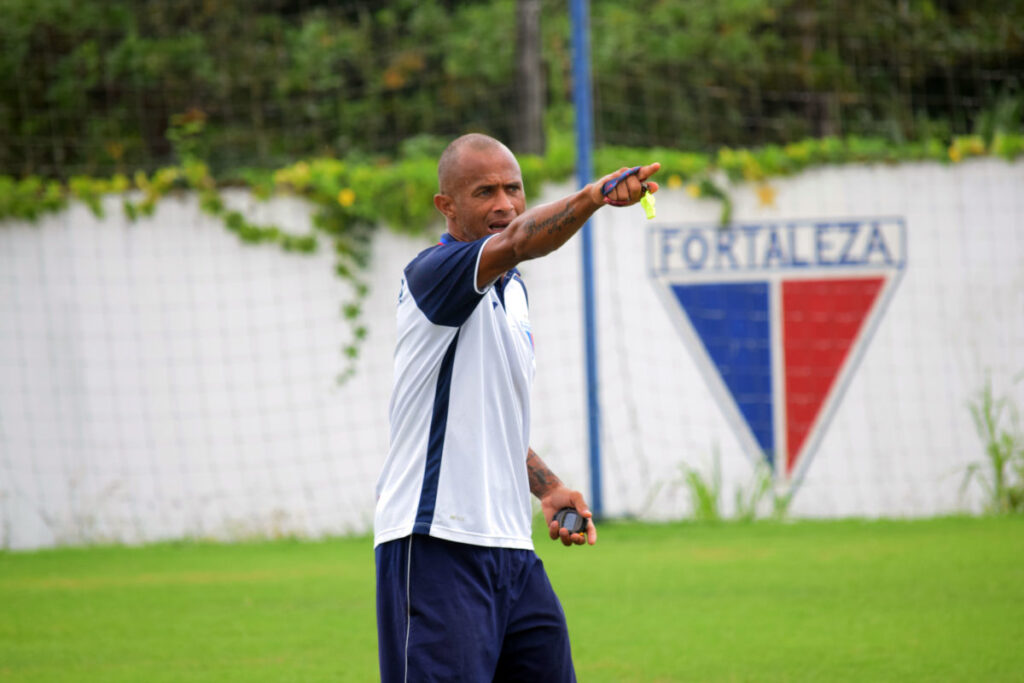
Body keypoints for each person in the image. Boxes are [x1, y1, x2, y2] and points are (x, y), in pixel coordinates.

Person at [374, 133, 659, 681]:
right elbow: (524, 239)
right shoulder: (437, 272)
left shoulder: (512, 291)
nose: (504, 204)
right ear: (446, 206)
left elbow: (487, 422)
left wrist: (548, 487)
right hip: (435, 543)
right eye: (484, 191)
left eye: (513, 188)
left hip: (511, 552)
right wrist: (593, 196)